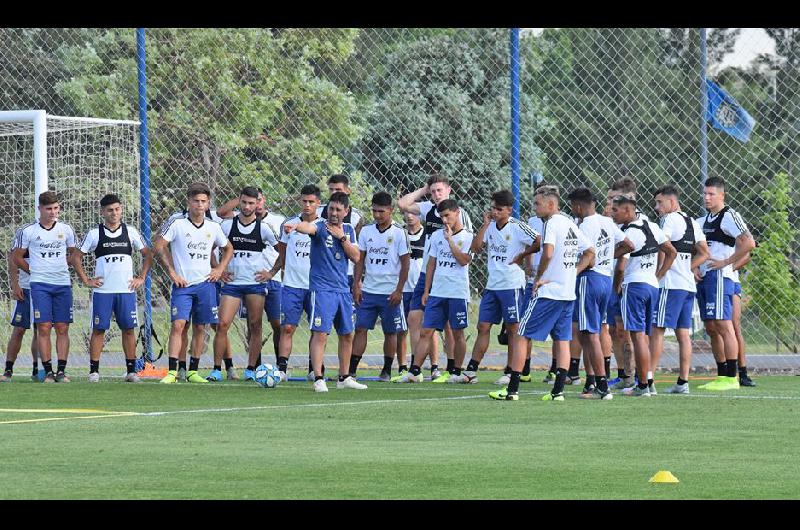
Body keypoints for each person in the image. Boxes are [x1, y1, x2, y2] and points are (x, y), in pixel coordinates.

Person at [489, 185, 594, 401]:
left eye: (538, 203)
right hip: (567, 293)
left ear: (551, 204)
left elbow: (548, 252)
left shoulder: (553, 223)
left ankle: (512, 390)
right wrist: (573, 272)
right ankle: (558, 392)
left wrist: (538, 277)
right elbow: (590, 251)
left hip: (549, 292)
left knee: (520, 335)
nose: (535, 207)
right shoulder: (570, 224)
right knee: (562, 340)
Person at [283, 191, 367, 392]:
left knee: (347, 334)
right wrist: (296, 226)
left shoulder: (348, 230)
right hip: (322, 290)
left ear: (346, 211)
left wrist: (342, 238)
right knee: (320, 334)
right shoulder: (320, 226)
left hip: (342, 290)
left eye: (338, 209)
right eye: (331, 209)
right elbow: (308, 227)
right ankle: (318, 377)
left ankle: (344, 377)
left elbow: (356, 257)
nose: (334, 213)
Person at [154, 182, 233, 384]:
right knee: (179, 324)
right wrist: (172, 272)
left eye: (203, 201)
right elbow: (159, 245)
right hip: (183, 285)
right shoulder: (178, 224)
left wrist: (219, 269)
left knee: (200, 327)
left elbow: (228, 248)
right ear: (188, 202)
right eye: (196, 201)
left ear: (208, 204)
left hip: (205, 284)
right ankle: (172, 371)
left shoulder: (213, 227)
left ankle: (192, 371)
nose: (199, 205)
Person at [397, 173, 473, 383]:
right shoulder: (429, 210)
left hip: (453, 283)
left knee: (452, 327)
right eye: (433, 191)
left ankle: (452, 369)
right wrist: (424, 189)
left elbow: (466, 255)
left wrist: (451, 241)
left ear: (449, 190)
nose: (436, 194)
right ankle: (415, 370)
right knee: (418, 321)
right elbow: (403, 204)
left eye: (440, 190)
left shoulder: (461, 219)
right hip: (430, 276)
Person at [72, 194, 153, 383]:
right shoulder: (94, 234)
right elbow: (76, 257)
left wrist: (141, 277)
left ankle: (131, 371)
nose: (114, 213)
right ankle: (94, 371)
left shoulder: (131, 232)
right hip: (103, 292)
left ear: (121, 209)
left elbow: (148, 254)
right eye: (109, 210)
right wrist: (86, 280)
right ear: (102, 212)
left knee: (128, 329)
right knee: (99, 330)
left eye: (117, 209)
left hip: (126, 291)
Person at [463, 190, 539, 384]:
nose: (495, 212)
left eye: (499, 209)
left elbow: (539, 241)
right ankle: (471, 370)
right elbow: (476, 247)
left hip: (511, 285)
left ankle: (511, 370)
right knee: (483, 326)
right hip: (493, 285)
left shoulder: (517, 227)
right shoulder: (490, 226)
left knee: (513, 328)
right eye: (493, 208)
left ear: (509, 210)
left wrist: (523, 256)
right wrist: (485, 224)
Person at [210, 187, 280, 382]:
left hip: (255, 285)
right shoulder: (226, 226)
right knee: (222, 324)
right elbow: (210, 248)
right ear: (239, 202)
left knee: (255, 325)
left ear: (258, 203)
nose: (248, 206)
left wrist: (271, 273)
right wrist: (218, 269)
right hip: (232, 284)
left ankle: (250, 369)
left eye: (252, 203)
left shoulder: (264, 228)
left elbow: (282, 251)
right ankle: (216, 369)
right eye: (244, 202)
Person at [567, 187, 631, 400]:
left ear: (578, 206)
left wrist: (572, 271)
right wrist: (608, 257)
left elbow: (589, 258)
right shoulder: (607, 221)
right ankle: (591, 383)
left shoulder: (584, 225)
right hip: (605, 279)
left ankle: (602, 386)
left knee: (590, 333)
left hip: (590, 279)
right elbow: (629, 244)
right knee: (589, 333)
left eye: (572, 207)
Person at [612, 193, 676, 397]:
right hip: (651, 286)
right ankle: (649, 381)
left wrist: (616, 286)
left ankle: (642, 386)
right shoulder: (652, 226)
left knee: (637, 336)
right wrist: (658, 276)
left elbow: (621, 266)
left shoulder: (630, 233)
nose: (613, 214)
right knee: (644, 337)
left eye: (616, 210)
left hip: (635, 286)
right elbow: (671, 252)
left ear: (628, 211)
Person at [695, 176, 756, 391]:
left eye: (711, 194)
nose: (707, 197)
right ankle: (721, 375)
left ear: (722, 195)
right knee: (711, 327)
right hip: (705, 279)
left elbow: (749, 243)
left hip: (720, 278)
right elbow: (698, 250)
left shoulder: (729, 216)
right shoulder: (702, 222)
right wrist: (695, 268)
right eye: (705, 193)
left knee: (724, 324)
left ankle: (733, 377)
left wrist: (726, 263)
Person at [12, 191, 77, 383]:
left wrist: (63, 264)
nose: (53, 212)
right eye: (48, 209)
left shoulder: (66, 229)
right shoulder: (28, 231)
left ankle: (62, 371)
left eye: (56, 208)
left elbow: (75, 253)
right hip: (39, 285)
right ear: (39, 208)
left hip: (62, 283)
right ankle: (48, 371)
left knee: (63, 327)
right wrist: (35, 271)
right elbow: (16, 256)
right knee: (44, 326)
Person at [650, 186, 709, 394]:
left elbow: (663, 248)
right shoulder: (692, 222)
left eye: (660, 202)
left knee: (656, 330)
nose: (657, 207)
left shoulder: (669, 219)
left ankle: (648, 381)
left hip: (671, 285)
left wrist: (657, 275)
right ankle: (683, 382)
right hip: (687, 286)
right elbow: (705, 253)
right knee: (683, 334)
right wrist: (689, 267)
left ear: (672, 202)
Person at [350, 192, 410, 381]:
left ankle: (386, 369)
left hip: (390, 292)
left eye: (381, 211)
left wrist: (399, 290)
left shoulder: (399, 233)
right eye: (374, 211)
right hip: (368, 290)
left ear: (391, 211)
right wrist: (356, 284)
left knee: (390, 331)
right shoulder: (367, 231)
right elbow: (360, 260)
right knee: (360, 328)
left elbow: (405, 263)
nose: (377, 215)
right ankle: (351, 370)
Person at [605, 178, 646, 389]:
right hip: (612, 281)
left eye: (614, 199)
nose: (610, 204)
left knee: (630, 330)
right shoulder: (610, 222)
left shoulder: (639, 224)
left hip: (628, 284)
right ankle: (623, 375)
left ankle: (639, 376)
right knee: (614, 330)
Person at [276, 185, 321, 381]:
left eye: (311, 202)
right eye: (304, 201)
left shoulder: (324, 226)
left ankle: (314, 369)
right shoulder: (288, 224)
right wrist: (274, 272)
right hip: (292, 286)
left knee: (317, 329)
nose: (307, 205)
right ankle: (282, 369)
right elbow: (282, 253)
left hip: (316, 286)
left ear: (318, 203)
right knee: (287, 327)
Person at [1, 227, 41, 382]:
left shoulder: (59, 231)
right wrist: (15, 285)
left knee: (40, 329)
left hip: (44, 288)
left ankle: (38, 370)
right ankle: (8, 371)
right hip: (26, 288)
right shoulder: (26, 232)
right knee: (19, 329)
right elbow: (13, 258)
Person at [391, 210, 426, 382]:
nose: (410, 216)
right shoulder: (400, 233)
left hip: (419, 289)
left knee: (427, 330)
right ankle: (402, 366)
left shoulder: (428, 235)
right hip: (402, 289)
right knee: (401, 330)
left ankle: (431, 366)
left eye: (414, 213)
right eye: (406, 212)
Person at [732, 253, 755, 386]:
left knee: (735, 326)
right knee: (714, 328)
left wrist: (730, 266)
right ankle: (725, 373)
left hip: (730, 281)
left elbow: (747, 254)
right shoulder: (702, 232)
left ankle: (743, 373)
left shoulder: (735, 232)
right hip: (709, 280)